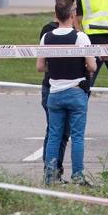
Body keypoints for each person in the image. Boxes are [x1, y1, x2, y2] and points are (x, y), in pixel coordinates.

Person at [37, 0, 97, 185]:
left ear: (56, 14)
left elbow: (40, 66)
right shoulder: (80, 37)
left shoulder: (46, 37)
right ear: (73, 14)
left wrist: (55, 66)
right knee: (77, 137)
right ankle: (78, 176)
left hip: (54, 92)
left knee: (54, 136)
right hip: (76, 92)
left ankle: (49, 176)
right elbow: (92, 66)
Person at [38, 18, 70, 182]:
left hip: (64, 86)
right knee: (55, 131)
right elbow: (43, 64)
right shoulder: (49, 31)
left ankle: (55, 172)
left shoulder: (76, 33)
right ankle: (51, 172)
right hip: (52, 86)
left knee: (62, 132)